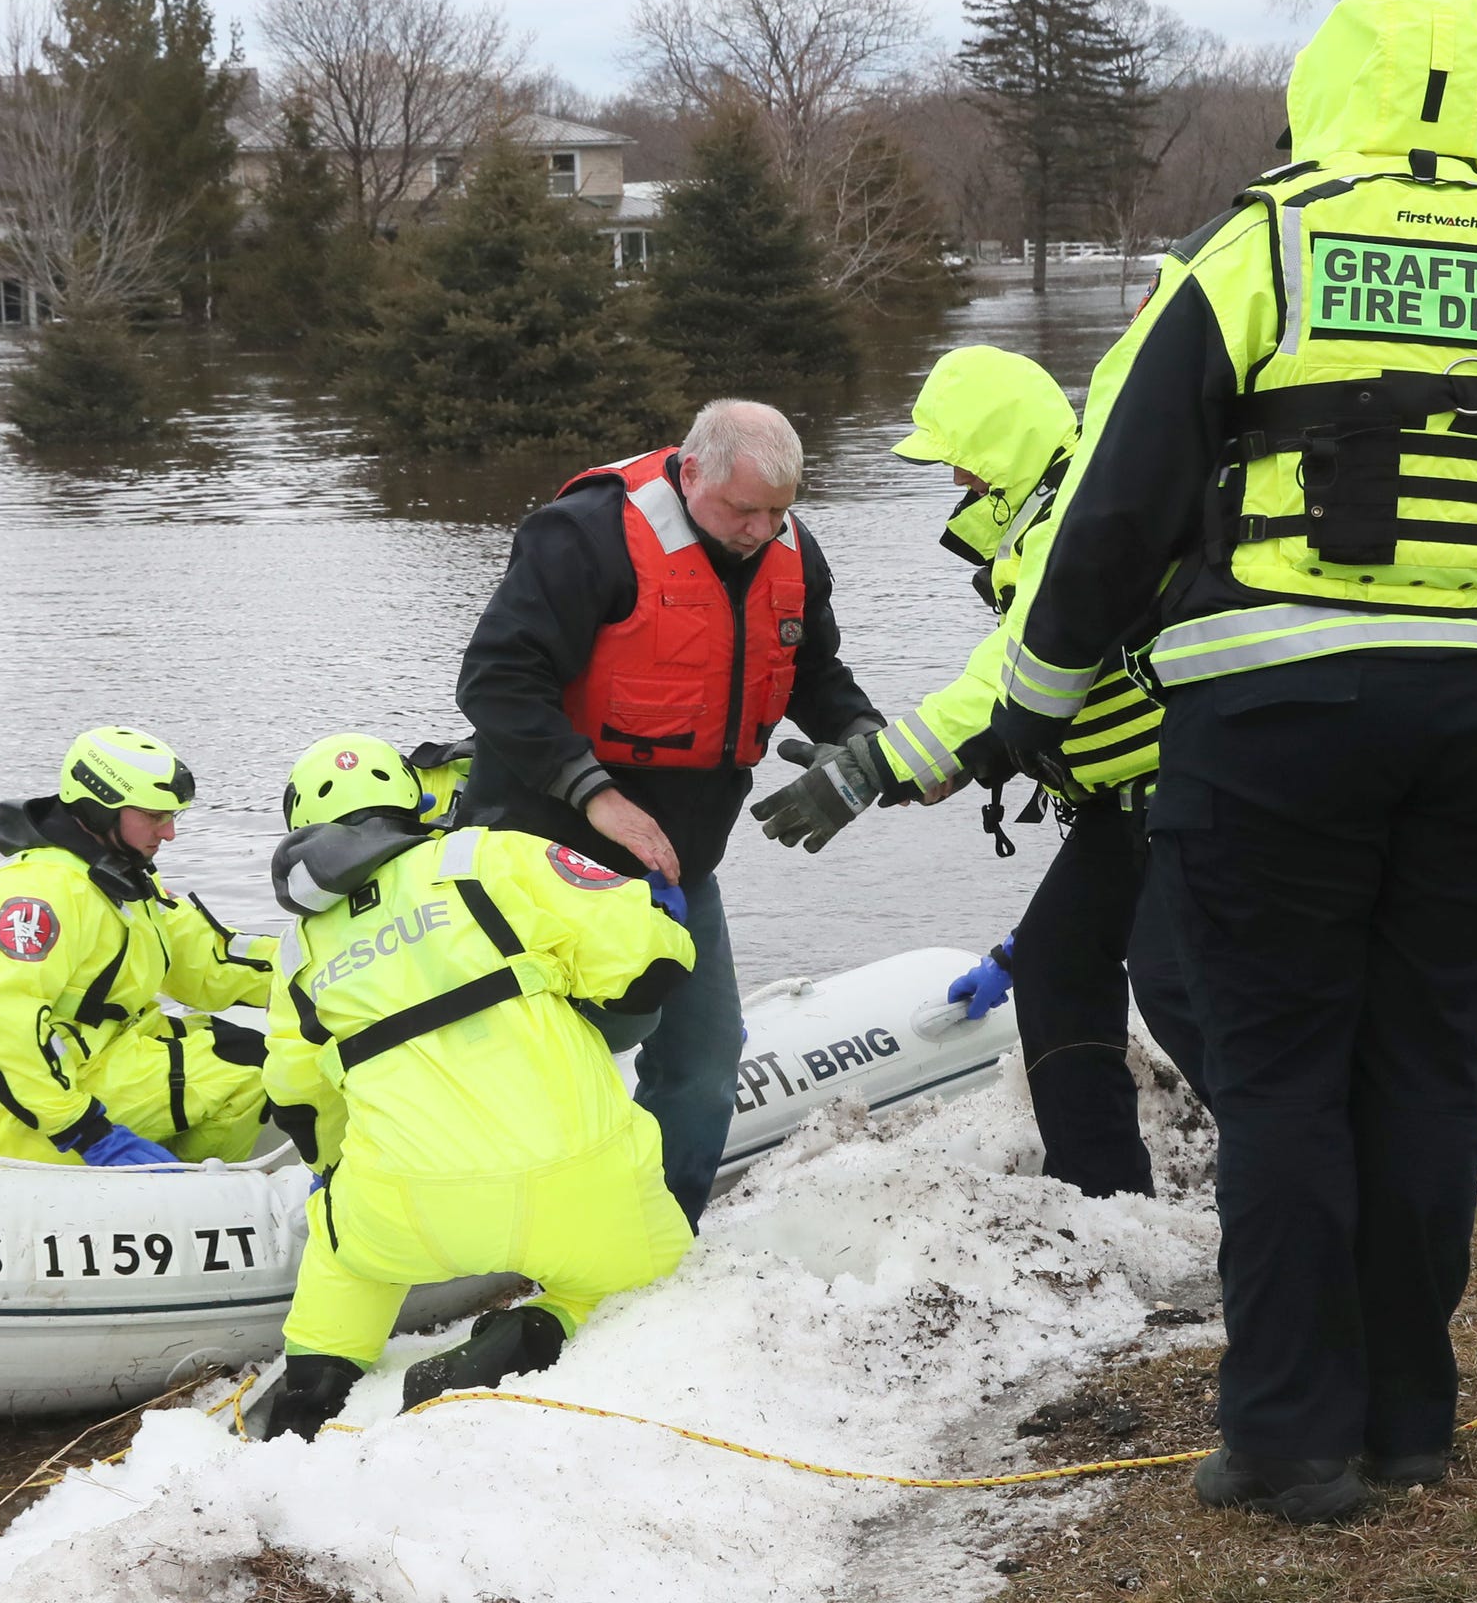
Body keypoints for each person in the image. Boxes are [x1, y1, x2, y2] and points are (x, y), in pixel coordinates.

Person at [982, 0, 1477, 1522]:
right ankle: (1413, 1421)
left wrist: (1035, 704)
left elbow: (1114, 506)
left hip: (1276, 719)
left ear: (1325, 88)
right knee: (1423, 1063)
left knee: (1284, 1073)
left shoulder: (1255, 253)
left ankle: (1291, 1437)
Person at [751, 344, 1200, 1198]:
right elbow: (1040, 693)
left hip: (1185, 790)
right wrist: (947, 765)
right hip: (1128, 800)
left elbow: (1008, 666)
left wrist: (869, 769)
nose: (956, 480)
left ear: (1003, 445)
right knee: (1062, 967)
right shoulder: (1052, 518)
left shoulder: (1079, 516)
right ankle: (1104, 1199)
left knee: (1191, 999)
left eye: (962, 459)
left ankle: (1300, 1197)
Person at [456, 398, 883, 1224]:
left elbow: (816, 676)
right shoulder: (582, 537)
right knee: (568, 1056)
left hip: (681, 860)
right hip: (549, 851)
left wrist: (864, 743)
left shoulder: (791, 550)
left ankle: (658, 1234)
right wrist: (596, 795)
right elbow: (495, 682)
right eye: (742, 509)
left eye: (778, 510)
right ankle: (505, 1220)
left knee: (705, 1060)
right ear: (691, 475)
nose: (762, 529)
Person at [244, 733, 698, 1440]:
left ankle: (314, 1382)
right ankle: (539, 1331)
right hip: (570, 1174)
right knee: (648, 1279)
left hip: (406, 1209)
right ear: (408, 794)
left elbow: (302, 1105)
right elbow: (650, 965)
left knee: (345, 1242)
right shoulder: (488, 855)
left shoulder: (299, 949)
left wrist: (337, 1176)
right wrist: (663, 919)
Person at [0, 726, 278, 1167]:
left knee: (257, 1055)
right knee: (250, 1077)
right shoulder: (32, 900)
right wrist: (86, 1131)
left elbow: (208, 964)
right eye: (155, 816)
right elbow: (1, 1030)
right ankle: (173, 1194)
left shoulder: (121, 878)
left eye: (173, 816)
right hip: (18, 1113)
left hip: (95, 1060)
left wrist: (313, 969)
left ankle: (169, 1174)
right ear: (100, 809)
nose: (169, 833)